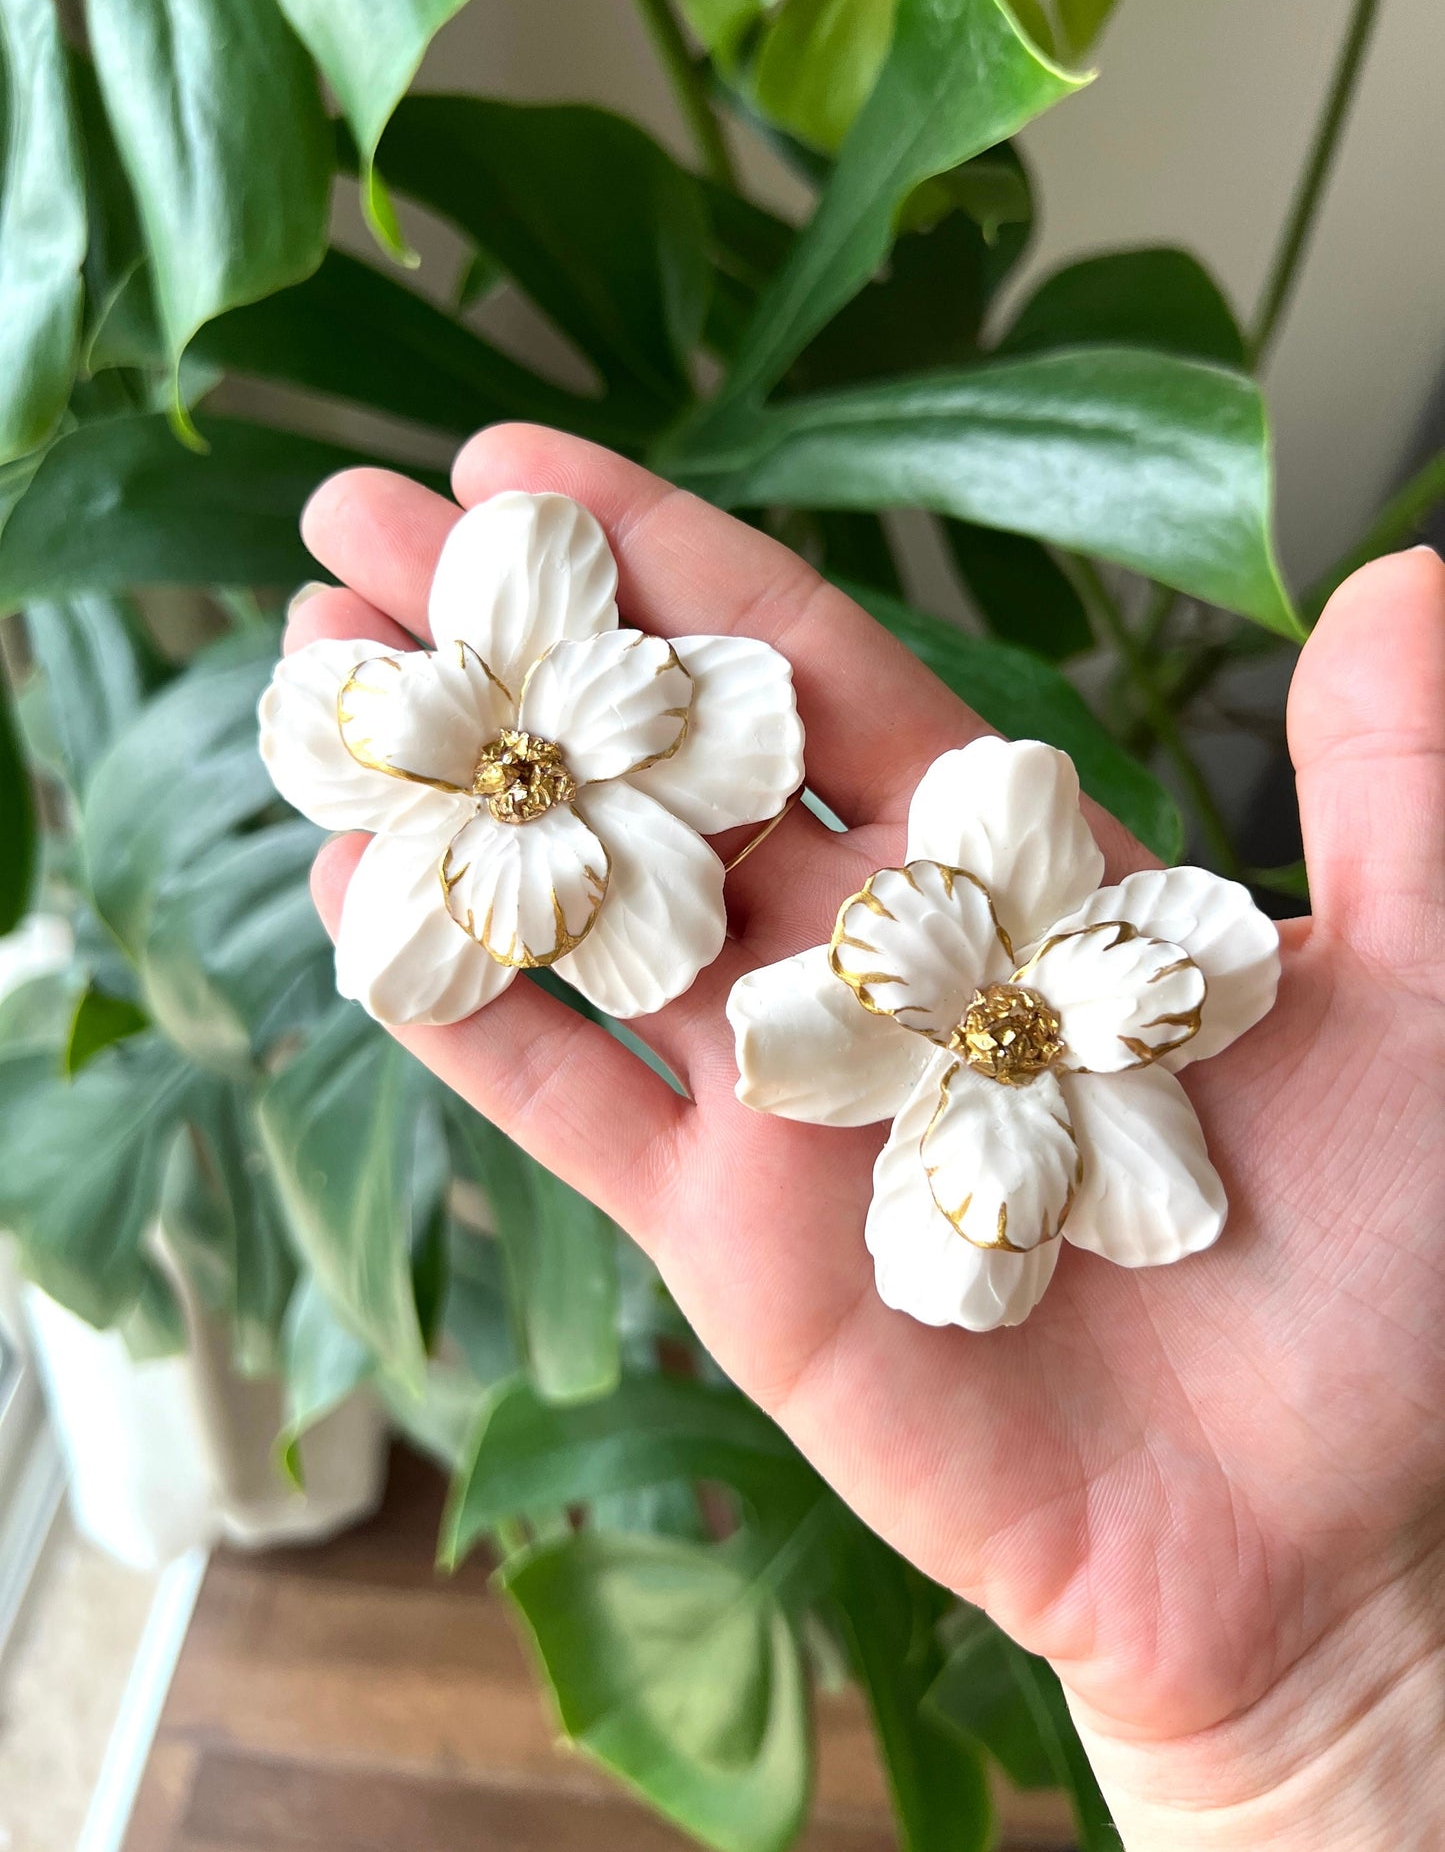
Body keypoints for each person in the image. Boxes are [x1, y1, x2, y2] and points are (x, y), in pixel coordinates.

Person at [286, 422, 1445, 1851]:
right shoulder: (557, 879)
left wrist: (1344, 1707)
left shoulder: (1070, 1031)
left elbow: (1138, 1134)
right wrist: (1317, 1737)